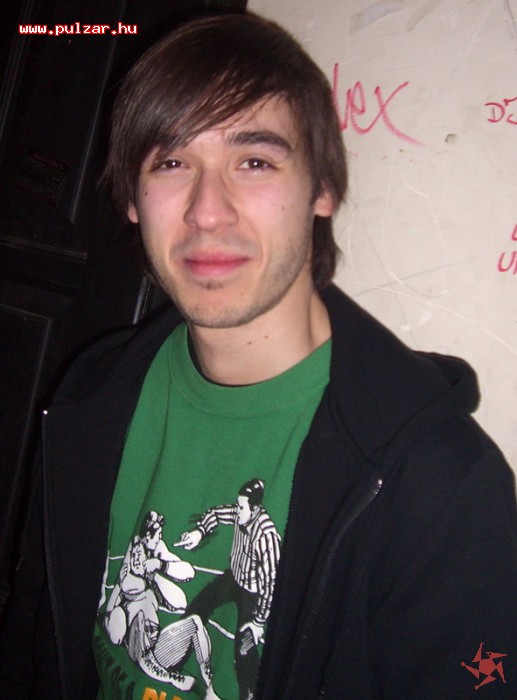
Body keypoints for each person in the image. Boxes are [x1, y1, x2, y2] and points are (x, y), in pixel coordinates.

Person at [1, 10, 516, 700]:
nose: (207, 210)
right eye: (172, 162)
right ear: (132, 198)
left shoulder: (438, 484)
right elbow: (31, 640)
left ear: (322, 188)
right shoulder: (87, 397)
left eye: (254, 161)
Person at [177, 479, 281, 698]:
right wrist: (199, 532)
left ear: (255, 509)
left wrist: (259, 621)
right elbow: (216, 514)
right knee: (200, 604)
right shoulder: (241, 512)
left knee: (244, 648)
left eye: (241, 507)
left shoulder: (266, 536)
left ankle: (249, 693)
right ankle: (176, 655)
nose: (237, 509)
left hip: (252, 592)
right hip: (234, 578)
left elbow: (271, 583)